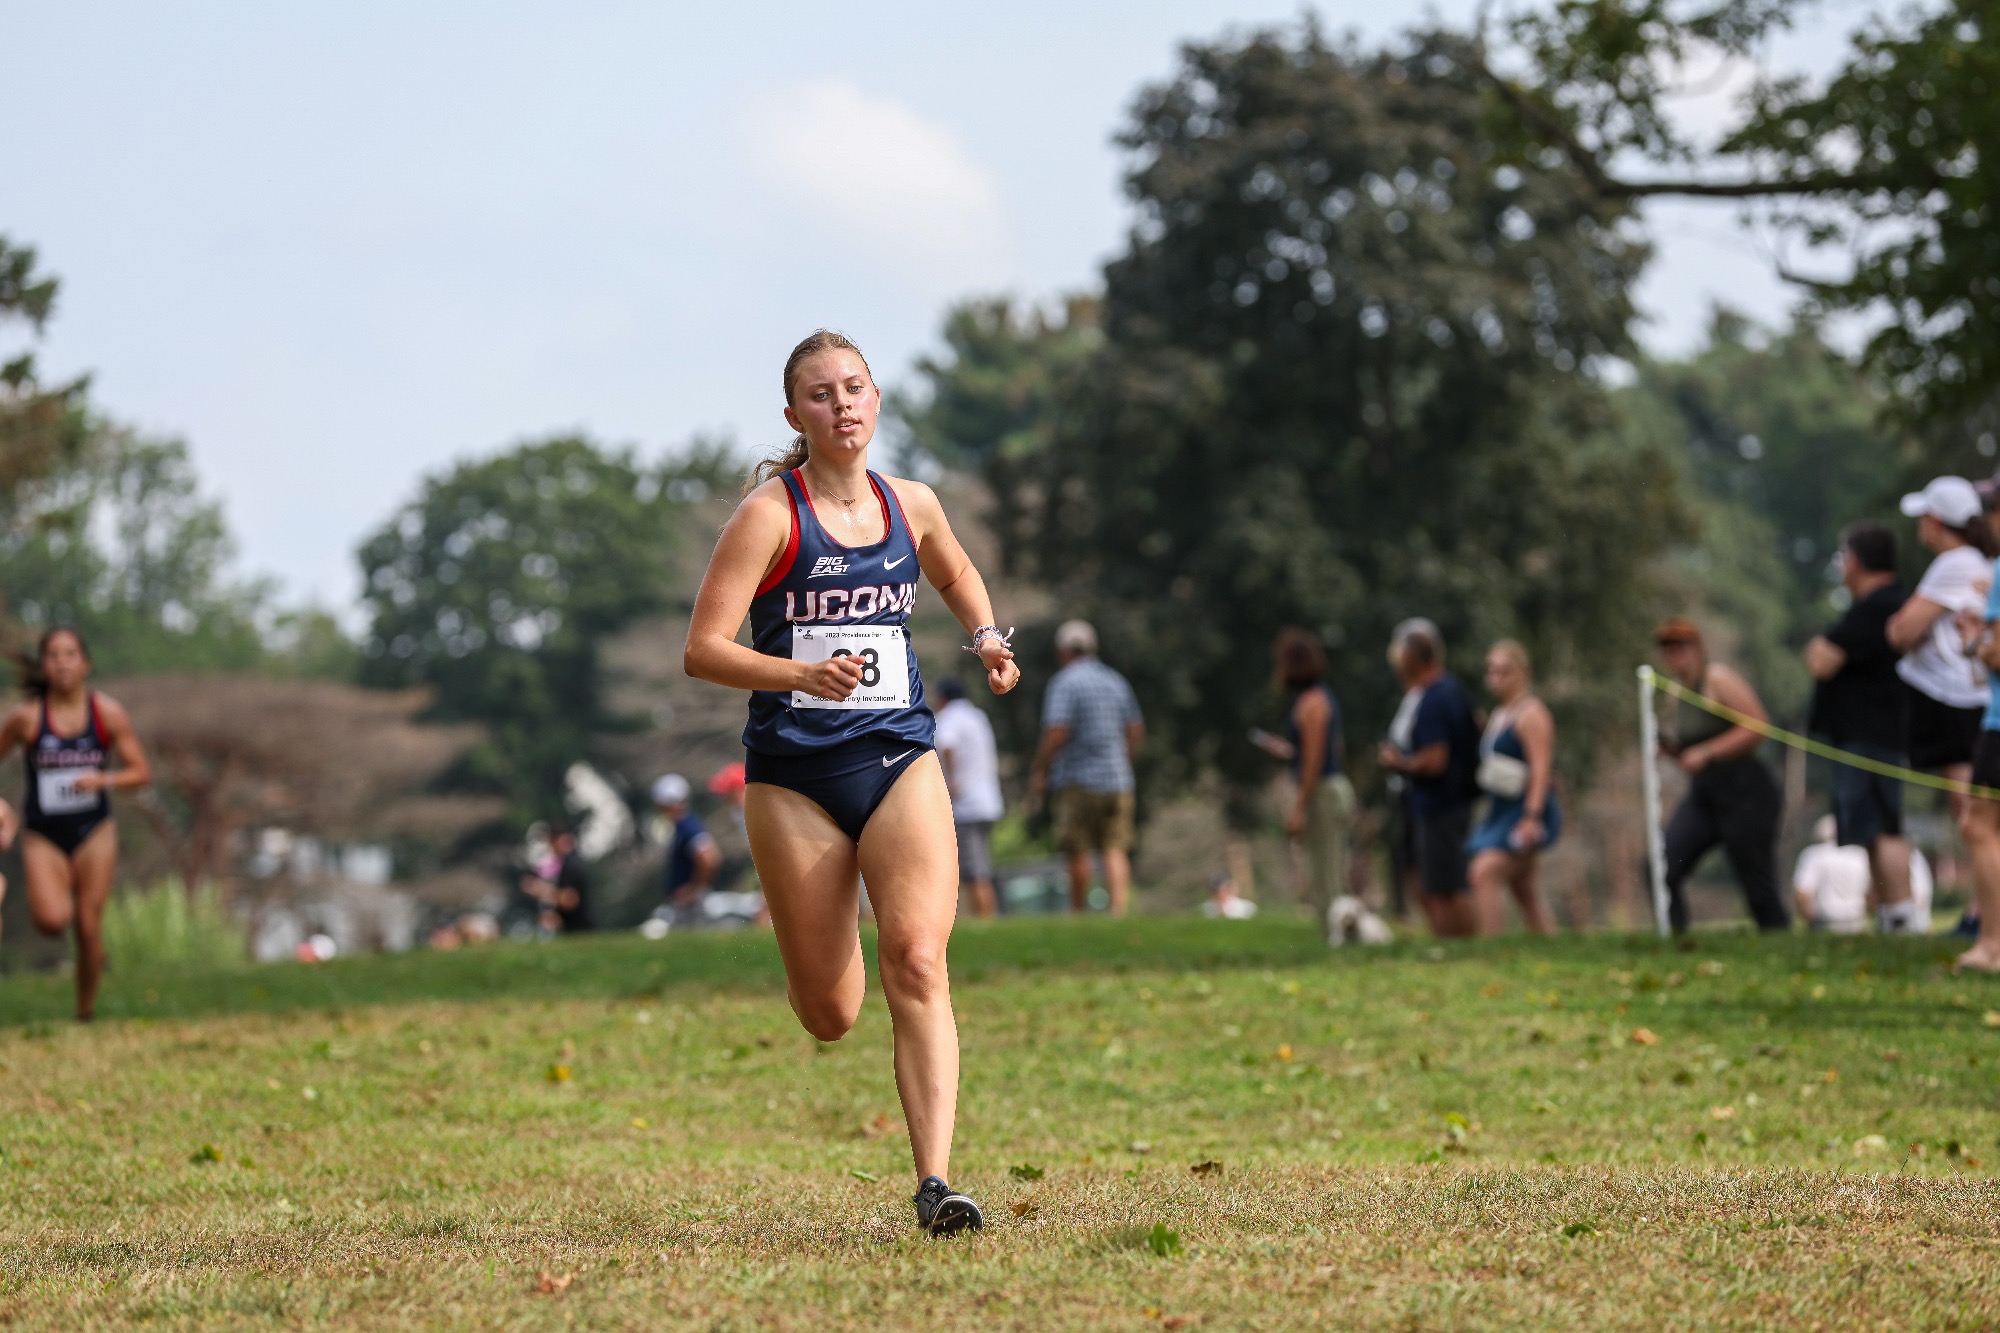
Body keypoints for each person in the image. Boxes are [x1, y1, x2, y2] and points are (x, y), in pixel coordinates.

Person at [683, 329, 1019, 1235]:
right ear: (794, 415)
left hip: (899, 755)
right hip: (794, 778)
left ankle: (936, 1182)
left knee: (919, 957)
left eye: (857, 387)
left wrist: (989, 636)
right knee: (831, 1012)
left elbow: (955, 569)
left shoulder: (911, 503)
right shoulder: (769, 514)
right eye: (823, 394)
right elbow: (702, 650)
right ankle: (820, 954)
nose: (844, 404)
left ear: (877, 400)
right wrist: (798, 674)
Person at [0, 628, 152, 1022]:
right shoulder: (27, 718)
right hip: (43, 834)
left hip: (94, 830)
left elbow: (140, 772)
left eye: (70, 654)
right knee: (52, 921)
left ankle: (85, 1010)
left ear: (85, 663)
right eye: (53, 655)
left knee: (88, 925)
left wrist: (104, 779)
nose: (62, 662)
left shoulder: (107, 713)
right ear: (43, 665)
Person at [1803, 522, 1920, 932]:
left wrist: (1818, 647)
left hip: (1873, 737)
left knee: (1885, 826)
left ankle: (1904, 915)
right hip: (1863, 736)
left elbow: (1822, 659)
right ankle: (1892, 917)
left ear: (1855, 561)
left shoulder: (1878, 605)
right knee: (1870, 828)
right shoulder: (1872, 606)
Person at [1653, 618, 1788, 932]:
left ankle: (1778, 940)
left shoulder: (1717, 678)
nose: (1675, 655)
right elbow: (1691, 753)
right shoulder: (1676, 692)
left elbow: (1758, 725)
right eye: (1668, 649)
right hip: (1706, 793)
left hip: (1746, 791)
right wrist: (1672, 752)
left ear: (1698, 648)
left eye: (1681, 646)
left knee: (1756, 880)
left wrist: (1708, 752)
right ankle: (1676, 940)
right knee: (1663, 866)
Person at [1888, 477, 1994, 837]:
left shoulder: (1955, 563)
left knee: (1971, 815)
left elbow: (1902, 631)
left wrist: (1901, 628)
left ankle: (1987, 894)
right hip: (1967, 698)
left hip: (1955, 700)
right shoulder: (1976, 561)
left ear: (1934, 521)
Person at [1028, 619, 1144, 916]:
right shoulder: (1115, 680)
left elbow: (1057, 731)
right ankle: (1117, 912)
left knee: (1077, 849)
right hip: (1118, 779)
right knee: (1114, 847)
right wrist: (1124, 760)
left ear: (1063, 651)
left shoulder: (1065, 682)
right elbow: (1135, 728)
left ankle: (1078, 914)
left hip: (1078, 778)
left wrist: (1041, 769)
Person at [1377, 621, 1480, 937]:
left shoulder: (1436, 697)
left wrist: (1399, 763)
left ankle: (1460, 947)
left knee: (1447, 885)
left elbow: (1435, 760)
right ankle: (1448, 943)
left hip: (1440, 803)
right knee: (1431, 881)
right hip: (1436, 803)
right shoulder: (1447, 690)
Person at [1256, 629, 1355, 941]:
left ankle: (1337, 939)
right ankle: (1332, 938)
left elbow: (1314, 761)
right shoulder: (1315, 699)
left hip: (1323, 791)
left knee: (1327, 873)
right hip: (1325, 786)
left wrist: (1299, 806)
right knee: (1323, 870)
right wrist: (1289, 751)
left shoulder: (1313, 703)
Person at [1465, 640, 1559, 936]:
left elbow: (1541, 769)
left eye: (1505, 671)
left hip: (1525, 810)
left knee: (1483, 873)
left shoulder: (1532, 714)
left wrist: (1531, 817)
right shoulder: (1498, 714)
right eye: (1491, 671)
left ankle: (1493, 949)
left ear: (1524, 673)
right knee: (1524, 889)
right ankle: (1549, 943)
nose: (1496, 678)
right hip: (1500, 807)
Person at [1792, 815, 1934, 933]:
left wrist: (1808, 919)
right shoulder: (1860, 855)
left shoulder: (1813, 855)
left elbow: (1802, 892)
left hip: (1822, 922)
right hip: (1857, 921)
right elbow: (1875, 890)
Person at [933, 677, 1002, 918]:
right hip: (989, 800)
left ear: (943, 698)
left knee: (973, 870)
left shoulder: (949, 718)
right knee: (980, 862)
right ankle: (983, 917)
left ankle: (984, 919)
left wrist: (951, 781)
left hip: (967, 804)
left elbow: (947, 745)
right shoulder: (977, 716)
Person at [652, 773, 720, 921]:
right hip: (685, 899)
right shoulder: (682, 826)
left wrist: (694, 889)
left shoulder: (688, 826)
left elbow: (709, 858)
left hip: (690, 901)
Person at [520, 824, 595, 934]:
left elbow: (570, 900)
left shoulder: (572, 865)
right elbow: (527, 883)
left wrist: (543, 890)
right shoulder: (552, 864)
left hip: (577, 928)